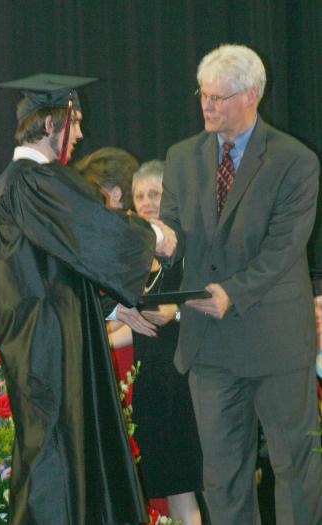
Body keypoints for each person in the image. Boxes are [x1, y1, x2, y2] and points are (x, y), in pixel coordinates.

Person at [0, 73, 176, 525]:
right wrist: (153, 234)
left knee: (72, 464)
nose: (82, 134)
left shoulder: (15, 187)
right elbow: (93, 231)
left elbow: (52, 270)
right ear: (52, 124)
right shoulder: (33, 183)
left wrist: (108, 306)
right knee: (56, 469)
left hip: (48, 345)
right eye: (77, 121)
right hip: (49, 354)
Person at [159, 44, 322, 525]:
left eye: (218, 97)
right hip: (210, 348)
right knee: (222, 476)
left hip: (276, 343)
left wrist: (233, 291)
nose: (207, 105)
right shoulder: (181, 156)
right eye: (202, 95)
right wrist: (160, 245)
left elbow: (284, 247)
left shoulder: (295, 160)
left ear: (251, 95)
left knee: (295, 467)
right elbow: (173, 231)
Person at [95, 159, 204, 525]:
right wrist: (99, 341)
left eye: (154, 194)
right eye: (139, 195)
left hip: (182, 379)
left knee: (188, 486)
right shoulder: (134, 258)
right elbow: (137, 324)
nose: (146, 202)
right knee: (168, 487)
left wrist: (174, 312)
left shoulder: (186, 251)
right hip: (150, 383)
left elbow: (212, 310)